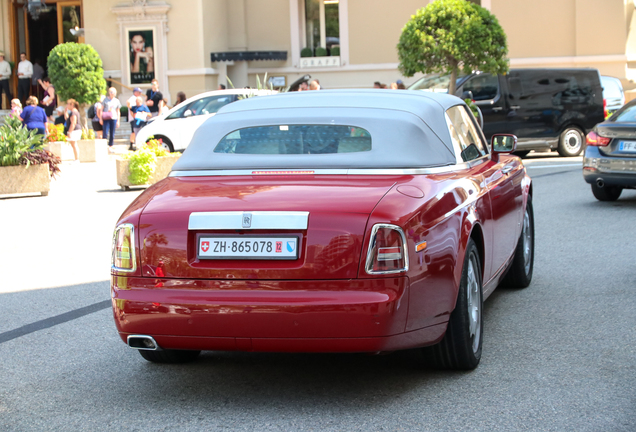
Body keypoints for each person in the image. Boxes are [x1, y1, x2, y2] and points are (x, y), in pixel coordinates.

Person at [100, 87, 121, 151]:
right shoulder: (105, 100)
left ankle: (111, 145)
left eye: (114, 92)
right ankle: (104, 145)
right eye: (111, 92)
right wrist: (100, 118)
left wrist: (118, 120)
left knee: (112, 132)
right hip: (106, 117)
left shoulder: (117, 101)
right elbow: (101, 109)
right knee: (105, 132)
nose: (112, 94)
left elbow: (118, 111)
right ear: (109, 93)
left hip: (114, 117)